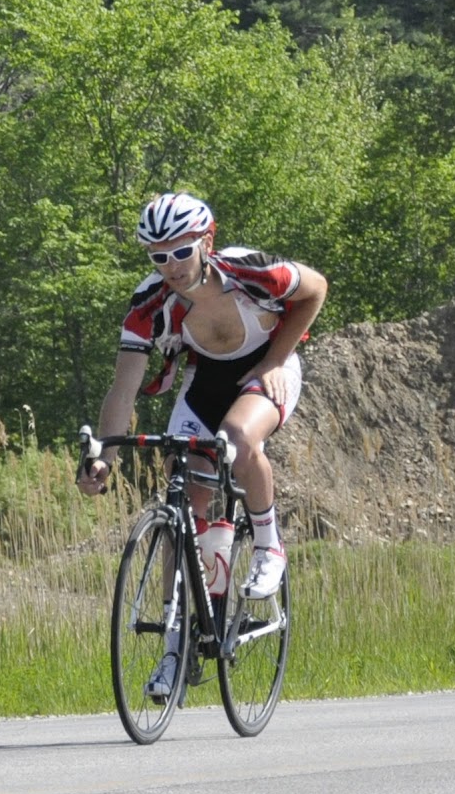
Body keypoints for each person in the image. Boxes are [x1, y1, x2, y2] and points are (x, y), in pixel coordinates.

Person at [77, 192, 327, 697]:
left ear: (206, 243)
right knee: (183, 499)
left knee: (237, 438)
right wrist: (105, 456)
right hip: (205, 382)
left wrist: (275, 360)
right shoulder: (149, 303)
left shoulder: (249, 270)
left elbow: (315, 289)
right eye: (158, 256)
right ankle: (177, 646)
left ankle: (268, 544)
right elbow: (123, 389)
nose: (171, 266)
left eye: (180, 251)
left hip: (268, 367)